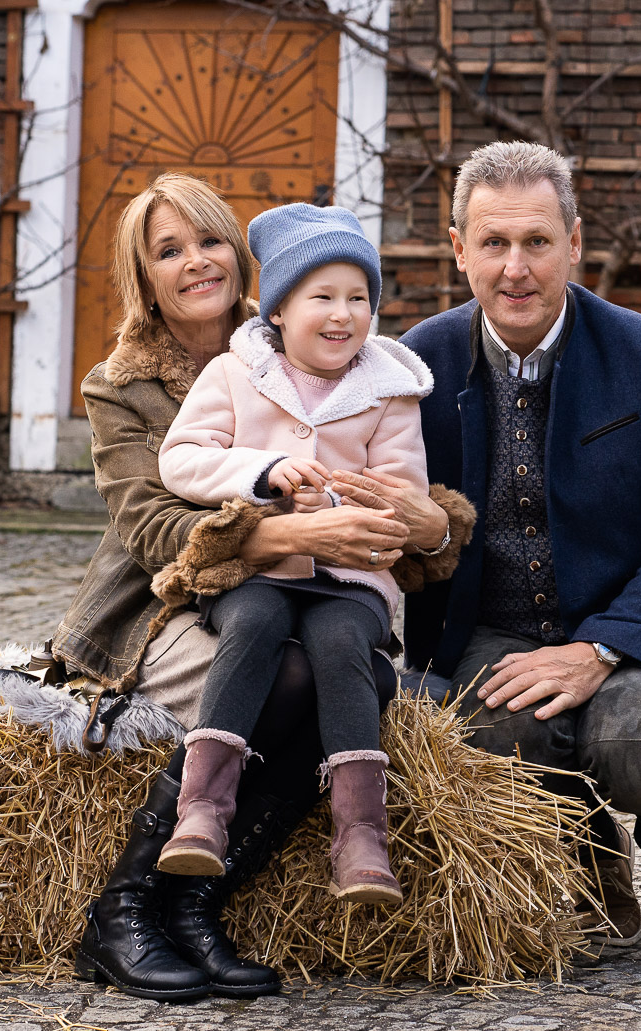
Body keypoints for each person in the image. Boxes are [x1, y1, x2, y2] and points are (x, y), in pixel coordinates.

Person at [52, 175, 472, 1001]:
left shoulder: (329, 351)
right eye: (167, 251)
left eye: (210, 241)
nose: (196, 262)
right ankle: (125, 912)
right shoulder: (123, 385)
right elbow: (154, 531)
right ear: (144, 276)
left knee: (355, 667)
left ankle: (199, 904)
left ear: (247, 267)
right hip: (163, 605)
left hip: (310, 595)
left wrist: (428, 527)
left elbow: (410, 495)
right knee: (290, 671)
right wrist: (297, 530)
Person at [398, 142, 641, 948]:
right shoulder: (416, 362)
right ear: (459, 251)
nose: (516, 268)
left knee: (640, 737)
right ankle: (583, 853)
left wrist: (602, 649)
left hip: (627, 627)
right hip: (491, 627)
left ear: (574, 244)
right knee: (488, 730)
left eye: (538, 242)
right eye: (494, 243)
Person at [152, 203, 434, 905]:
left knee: (342, 645)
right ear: (278, 309)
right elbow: (181, 460)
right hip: (259, 568)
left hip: (349, 578)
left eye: (359, 298)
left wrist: (349, 507)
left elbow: (402, 494)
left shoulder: (390, 393)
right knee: (251, 626)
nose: (343, 315)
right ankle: (203, 811)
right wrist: (264, 471)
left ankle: (360, 834)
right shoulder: (233, 374)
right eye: (323, 298)